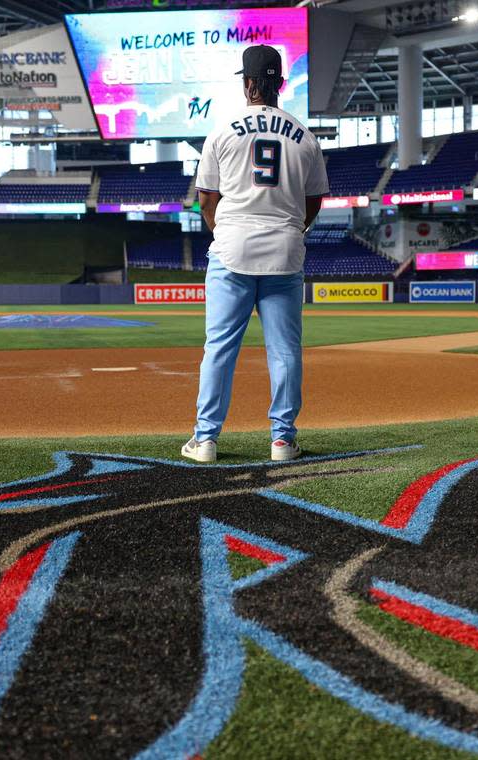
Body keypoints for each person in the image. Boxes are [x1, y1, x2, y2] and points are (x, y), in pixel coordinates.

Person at [182, 44, 328, 464]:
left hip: (232, 250)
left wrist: (222, 232)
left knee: (220, 348)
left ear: (248, 85)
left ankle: (206, 440)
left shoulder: (223, 131)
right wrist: (292, 228)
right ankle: (282, 440)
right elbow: (313, 201)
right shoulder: (305, 136)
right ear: (279, 83)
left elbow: (206, 198)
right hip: (285, 251)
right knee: (284, 351)